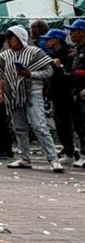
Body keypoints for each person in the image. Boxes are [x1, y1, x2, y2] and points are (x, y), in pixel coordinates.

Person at [0, 24, 62, 172]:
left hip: (33, 92)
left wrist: (31, 74)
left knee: (39, 125)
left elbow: (48, 71)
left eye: (11, 38)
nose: (8, 41)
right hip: (14, 94)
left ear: (20, 38)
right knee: (19, 128)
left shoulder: (35, 52)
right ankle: (24, 157)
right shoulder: (5, 56)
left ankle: (53, 159)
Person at [42, 27, 76, 164]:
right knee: (61, 123)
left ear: (57, 40)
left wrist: (59, 66)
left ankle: (71, 151)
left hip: (67, 93)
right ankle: (69, 150)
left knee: (71, 123)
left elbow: (70, 73)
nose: (46, 42)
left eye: (49, 39)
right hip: (57, 93)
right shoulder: (51, 55)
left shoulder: (68, 54)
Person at [66, 18, 85, 167]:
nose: (71, 34)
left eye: (73, 31)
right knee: (80, 123)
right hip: (78, 92)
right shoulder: (78, 50)